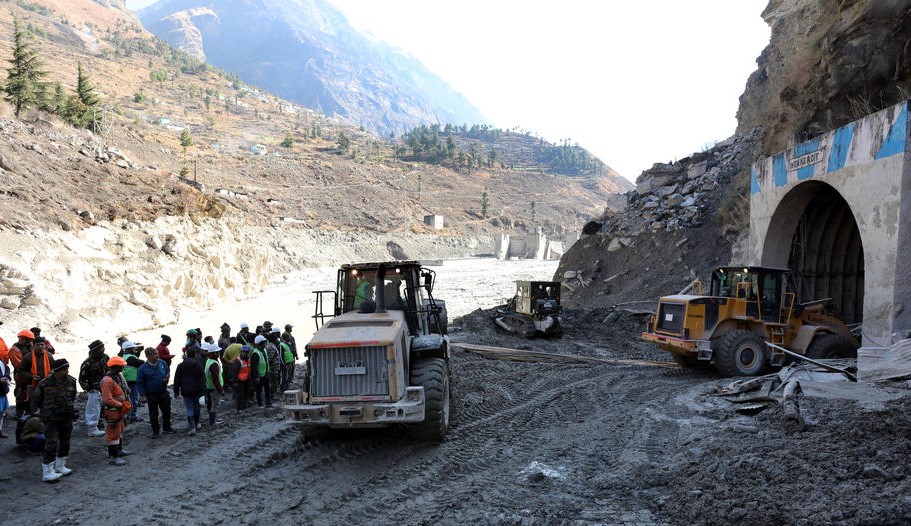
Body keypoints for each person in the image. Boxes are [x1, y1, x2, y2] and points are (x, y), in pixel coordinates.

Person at [34, 358, 77, 482]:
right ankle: (47, 471)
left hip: (66, 416)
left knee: (65, 441)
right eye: (64, 369)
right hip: (50, 417)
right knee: (51, 443)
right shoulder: (45, 383)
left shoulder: (71, 381)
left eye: (67, 369)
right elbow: (38, 399)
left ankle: (60, 465)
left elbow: (72, 397)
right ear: (56, 371)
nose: (66, 372)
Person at [136, 347, 174, 438]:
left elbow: (167, 371)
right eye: (155, 354)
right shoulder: (142, 368)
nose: (158, 356)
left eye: (157, 353)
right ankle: (155, 431)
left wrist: (166, 378)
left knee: (167, 410)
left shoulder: (162, 363)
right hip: (151, 394)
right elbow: (140, 382)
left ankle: (167, 428)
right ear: (148, 356)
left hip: (163, 391)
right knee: (153, 413)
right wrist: (143, 395)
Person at [101, 356, 131, 465]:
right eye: (121, 366)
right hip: (112, 411)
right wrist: (120, 405)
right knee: (113, 433)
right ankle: (113, 457)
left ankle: (119, 450)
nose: (123, 367)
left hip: (118, 410)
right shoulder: (107, 381)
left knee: (119, 430)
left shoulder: (117, 376)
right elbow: (107, 399)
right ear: (115, 367)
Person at [78, 340, 108, 437]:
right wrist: (89, 388)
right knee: (93, 409)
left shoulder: (106, 358)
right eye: (100, 348)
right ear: (95, 350)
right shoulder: (87, 363)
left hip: (107, 387)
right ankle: (92, 429)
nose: (102, 349)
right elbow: (82, 379)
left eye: (103, 347)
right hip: (95, 389)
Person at [10, 329, 35, 443]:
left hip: (31, 378)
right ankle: (20, 423)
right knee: (21, 400)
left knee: (31, 404)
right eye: (28, 340)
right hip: (21, 378)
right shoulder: (14, 349)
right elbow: (19, 364)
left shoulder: (30, 347)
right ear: (23, 338)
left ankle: (29, 426)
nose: (29, 342)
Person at [173, 347, 206, 435]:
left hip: (185, 390)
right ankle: (196, 423)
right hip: (197, 389)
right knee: (197, 407)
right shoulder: (199, 364)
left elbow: (176, 379)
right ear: (195, 354)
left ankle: (192, 427)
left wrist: (176, 391)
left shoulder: (181, 365)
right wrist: (203, 391)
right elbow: (202, 379)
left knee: (189, 408)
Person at [119, 341, 143, 424]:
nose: (135, 349)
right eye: (133, 348)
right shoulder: (130, 358)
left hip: (128, 380)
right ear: (129, 349)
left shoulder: (125, 356)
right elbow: (141, 363)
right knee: (133, 399)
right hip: (131, 380)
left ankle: (128, 415)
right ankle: (132, 416)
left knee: (129, 399)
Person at [203, 343, 224, 425]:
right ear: (213, 353)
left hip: (209, 386)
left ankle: (214, 419)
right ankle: (213, 421)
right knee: (215, 404)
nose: (219, 353)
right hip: (214, 388)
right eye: (217, 352)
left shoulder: (209, 361)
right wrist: (221, 390)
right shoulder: (214, 364)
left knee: (213, 403)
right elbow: (215, 379)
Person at [251, 335, 272, 408]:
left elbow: (266, 361)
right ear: (259, 344)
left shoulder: (264, 350)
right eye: (263, 343)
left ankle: (268, 402)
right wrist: (256, 376)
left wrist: (268, 371)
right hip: (259, 375)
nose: (265, 344)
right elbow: (254, 367)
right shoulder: (255, 354)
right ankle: (260, 403)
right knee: (259, 390)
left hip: (265, 373)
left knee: (267, 388)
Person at [233, 346, 253, 412]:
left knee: (246, 393)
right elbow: (235, 372)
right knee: (240, 395)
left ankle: (244, 406)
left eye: (247, 352)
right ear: (241, 352)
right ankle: (239, 408)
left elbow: (250, 369)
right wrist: (235, 381)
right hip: (240, 380)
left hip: (247, 379)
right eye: (244, 352)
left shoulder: (249, 359)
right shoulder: (238, 360)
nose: (246, 353)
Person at [265, 328, 283, 399]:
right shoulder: (272, 347)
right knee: (273, 382)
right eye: (276, 339)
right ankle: (272, 395)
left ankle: (272, 395)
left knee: (273, 382)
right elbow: (269, 359)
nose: (277, 340)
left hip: (273, 368)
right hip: (273, 369)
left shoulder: (270, 345)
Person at [0, 356, 10, 438]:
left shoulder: (1, 360)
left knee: (2, 413)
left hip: (2, 391)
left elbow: (7, 368)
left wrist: (6, 376)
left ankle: (0, 430)